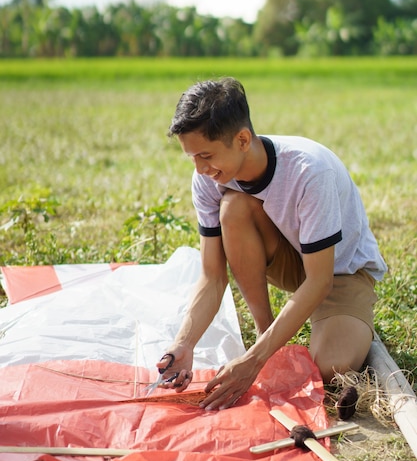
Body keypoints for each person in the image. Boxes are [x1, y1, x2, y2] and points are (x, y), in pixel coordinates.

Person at [157, 77, 387, 410]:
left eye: (206, 155)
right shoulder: (208, 178)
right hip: (290, 259)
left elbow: (320, 281)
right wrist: (184, 344)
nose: (200, 169)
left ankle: (305, 336)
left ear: (242, 139)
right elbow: (212, 276)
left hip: (338, 271)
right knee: (233, 207)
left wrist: (252, 362)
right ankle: (268, 335)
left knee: (328, 368)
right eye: (192, 157)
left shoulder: (310, 172)